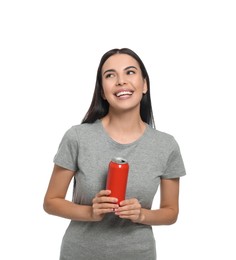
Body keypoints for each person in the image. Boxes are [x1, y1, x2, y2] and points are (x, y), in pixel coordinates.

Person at [43, 48, 186, 260]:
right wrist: (90, 212)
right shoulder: (77, 137)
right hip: (80, 253)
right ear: (102, 91)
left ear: (144, 84)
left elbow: (170, 211)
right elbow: (51, 201)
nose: (121, 81)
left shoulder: (166, 145)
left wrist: (142, 214)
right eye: (110, 75)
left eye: (130, 72)